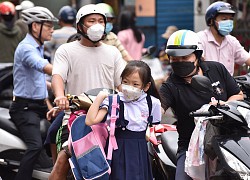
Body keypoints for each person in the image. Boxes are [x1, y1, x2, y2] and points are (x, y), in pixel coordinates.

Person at [48, 4, 126, 180]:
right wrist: (60, 96)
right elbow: (58, 75)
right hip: (76, 119)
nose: (97, 25)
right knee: (63, 160)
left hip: (108, 118)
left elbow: (122, 83)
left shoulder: (112, 52)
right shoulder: (66, 51)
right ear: (79, 26)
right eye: (91, 21)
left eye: (101, 21)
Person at [159, 29, 244, 179]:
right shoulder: (170, 86)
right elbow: (158, 108)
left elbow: (238, 95)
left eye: (184, 57)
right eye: (174, 58)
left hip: (227, 140)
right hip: (190, 147)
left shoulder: (217, 69)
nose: (179, 62)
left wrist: (223, 105)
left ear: (197, 55)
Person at [86, 60, 161, 180]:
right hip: (117, 150)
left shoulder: (153, 103)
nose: (129, 87)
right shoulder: (114, 101)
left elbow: (154, 127)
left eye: (135, 84)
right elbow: (90, 121)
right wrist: (100, 97)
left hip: (140, 151)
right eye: (125, 82)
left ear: (146, 86)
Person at [8, 6, 58, 180]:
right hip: (25, 109)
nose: (52, 29)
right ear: (35, 26)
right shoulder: (27, 48)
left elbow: (36, 79)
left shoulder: (37, 46)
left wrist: (52, 88)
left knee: (61, 130)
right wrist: (67, 72)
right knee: (35, 146)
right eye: (49, 25)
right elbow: (43, 67)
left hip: (39, 106)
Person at [197, 1, 250, 76]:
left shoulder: (232, 41)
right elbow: (197, 63)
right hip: (207, 85)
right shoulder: (200, 39)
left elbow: (247, 58)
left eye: (230, 19)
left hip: (229, 86)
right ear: (211, 21)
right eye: (224, 19)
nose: (228, 22)